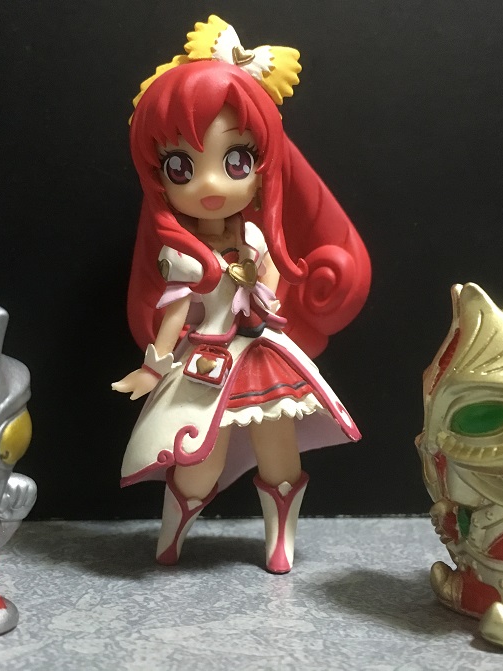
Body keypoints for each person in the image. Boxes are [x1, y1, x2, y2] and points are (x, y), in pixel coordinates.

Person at [113, 16, 371, 573]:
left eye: (235, 161)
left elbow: (272, 268)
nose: (210, 184)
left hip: (260, 350)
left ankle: (280, 539)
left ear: (261, 164)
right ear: (159, 176)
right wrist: (153, 367)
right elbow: (175, 309)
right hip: (207, 359)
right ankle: (172, 533)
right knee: (198, 457)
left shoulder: (253, 236)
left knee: (279, 445)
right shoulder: (181, 254)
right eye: (181, 166)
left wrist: (267, 299)